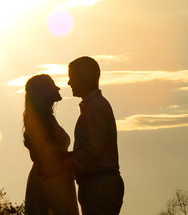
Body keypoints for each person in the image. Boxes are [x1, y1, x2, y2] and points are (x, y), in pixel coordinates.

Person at [66, 56, 124, 215]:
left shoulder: (94, 108)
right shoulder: (94, 106)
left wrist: (65, 165)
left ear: (83, 77)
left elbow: (93, 149)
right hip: (98, 184)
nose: (69, 82)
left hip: (99, 185)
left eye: (72, 77)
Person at [23, 74, 78, 215]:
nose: (58, 88)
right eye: (52, 85)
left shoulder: (49, 119)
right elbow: (42, 156)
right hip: (48, 181)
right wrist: (77, 156)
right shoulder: (38, 121)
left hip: (59, 178)